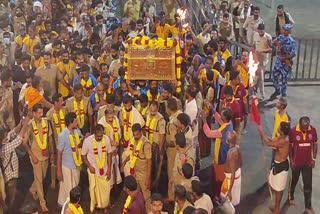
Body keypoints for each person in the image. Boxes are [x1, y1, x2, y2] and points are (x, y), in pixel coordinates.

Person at [23, 104, 54, 212]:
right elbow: (25, 143)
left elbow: (50, 138)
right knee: (39, 180)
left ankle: (32, 189)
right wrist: (32, 156)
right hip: (35, 156)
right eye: (39, 113)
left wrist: (52, 153)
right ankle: (42, 202)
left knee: (43, 176)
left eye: (42, 112)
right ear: (34, 114)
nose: (41, 115)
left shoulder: (46, 122)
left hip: (45, 155)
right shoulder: (30, 125)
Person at [257, 122, 290, 214]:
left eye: (279, 127)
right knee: (274, 186)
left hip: (281, 167)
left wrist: (261, 132)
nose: (278, 128)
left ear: (282, 131)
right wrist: (263, 134)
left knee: (279, 190)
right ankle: (275, 206)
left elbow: (268, 143)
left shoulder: (284, 141)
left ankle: (277, 209)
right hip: (277, 165)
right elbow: (271, 140)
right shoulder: (281, 138)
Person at [201, 106, 233, 198]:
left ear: (225, 118)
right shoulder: (229, 124)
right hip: (223, 157)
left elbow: (208, 133)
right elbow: (220, 120)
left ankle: (217, 197)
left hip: (220, 159)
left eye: (222, 115)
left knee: (218, 180)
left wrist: (204, 120)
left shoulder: (221, 131)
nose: (221, 116)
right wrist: (212, 109)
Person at [0, 116, 30, 212]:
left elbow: (11, 133)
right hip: (10, 179)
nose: (6, 135)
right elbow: (18, 139)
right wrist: (25, 125)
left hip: (10, 177)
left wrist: (20, 123)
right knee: (10, 200)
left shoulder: (4, 143)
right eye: (4, 135)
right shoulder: (4, 149)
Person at [288, 117, 317, 214]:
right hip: (296, 162)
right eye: (303, 128)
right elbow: (290, 146)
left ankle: (308, 206)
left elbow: (315, 144)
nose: (305, 130)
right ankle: (291, 196)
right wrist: (291, 160)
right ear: (299, 124)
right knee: (294, 181)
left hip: (308, 163)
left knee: (308, 185)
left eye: (306, 127)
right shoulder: (293, 131)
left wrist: (314, 158)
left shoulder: (312, 130)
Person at [82, 124, 113, 213]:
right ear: (94, 134)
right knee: (93, 191)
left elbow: (109, 153)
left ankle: (105, 206)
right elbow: (83, 156)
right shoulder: (88, 141)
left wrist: (109, 169)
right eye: (98, 136)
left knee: (106, 189)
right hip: (93, 171)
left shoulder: (106, 139)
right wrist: (89, 166)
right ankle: (94, 208)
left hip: (104, 169)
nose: (100, 138)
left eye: (101, 136)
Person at [121, 123, 152, 212]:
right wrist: (124, 163)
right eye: (134, 135)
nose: (136, 136)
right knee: (136, 195)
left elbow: (149, 161)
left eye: (137, 134)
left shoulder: (146, 144)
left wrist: (148, 178)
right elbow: (132, 154)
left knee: (146, 197)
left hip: (143, 173)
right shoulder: (133, 140)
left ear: (141, 132)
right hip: (135, 172)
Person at [56, 112, 83, 207]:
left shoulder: (77, 132)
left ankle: (65, 204)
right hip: (66, 166)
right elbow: (59, 153)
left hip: (77, 164)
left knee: (74, 186)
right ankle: (69, 207)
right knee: (68, 188)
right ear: (70, 123)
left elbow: (80, 141)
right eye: (75, 121)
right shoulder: (62, 135)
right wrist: (58, 170)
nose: (77, 123)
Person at [270, 24, 296, 99]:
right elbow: (273, 43)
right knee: (274, 76)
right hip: (278, 61)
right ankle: (277, 90)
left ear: (289, 31)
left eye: (287, 30)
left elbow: (293, 54)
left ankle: (283, 95)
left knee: (284, 79)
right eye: (284, 29)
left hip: (285, 62)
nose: (285, 31)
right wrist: (277, 46)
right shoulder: (280, 37)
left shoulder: (291, 41)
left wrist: (285, 57)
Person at [46, 93, 67, 189]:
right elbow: (48, 131)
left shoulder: (65, 110)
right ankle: (53, 181)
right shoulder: (49, 114)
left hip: (65, 141)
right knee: (54, 161)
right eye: (61, 101)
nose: (63, 102)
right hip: (55, 141)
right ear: (55, 102)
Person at [144, 101, 166, 190]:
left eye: (154, 111)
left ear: (157, 109)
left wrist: (160, 152)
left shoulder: (161, 120)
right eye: (151, 111)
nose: (152, 113)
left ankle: (155, 187)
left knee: (156, 168)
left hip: (156, 146)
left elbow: (162, 136)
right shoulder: (147, 115)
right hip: (148, 144)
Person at [166, 98, 183, 200]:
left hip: (172, 151)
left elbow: (173, 142)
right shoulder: (180, 114)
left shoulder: (172, 122)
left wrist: (165, 144)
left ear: (168, 108)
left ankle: (172, 197)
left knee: (171, 174)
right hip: (180, 149)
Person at [220, 131, 242, 206]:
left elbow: (232, 173)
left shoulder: (231, 153)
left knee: (228, 201)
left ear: (227, 141)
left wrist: (229, 191)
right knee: (234, 200)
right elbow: (241, 163)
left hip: (231, 180)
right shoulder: (237, 147)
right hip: (237, 175)